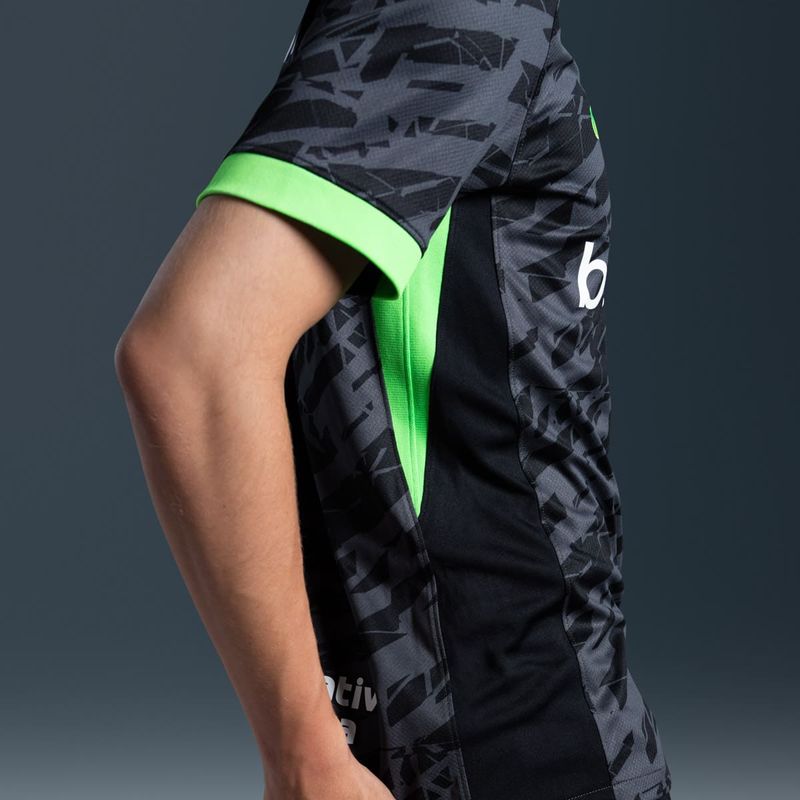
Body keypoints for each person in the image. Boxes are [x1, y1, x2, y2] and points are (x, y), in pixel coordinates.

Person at [115, 2, 672, 799]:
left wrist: (309, 756)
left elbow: (202, 355)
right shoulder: (445, 15)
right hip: (498, 737)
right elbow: (193, 355)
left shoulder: (457, 18)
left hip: (514, 732)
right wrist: (306, 757)